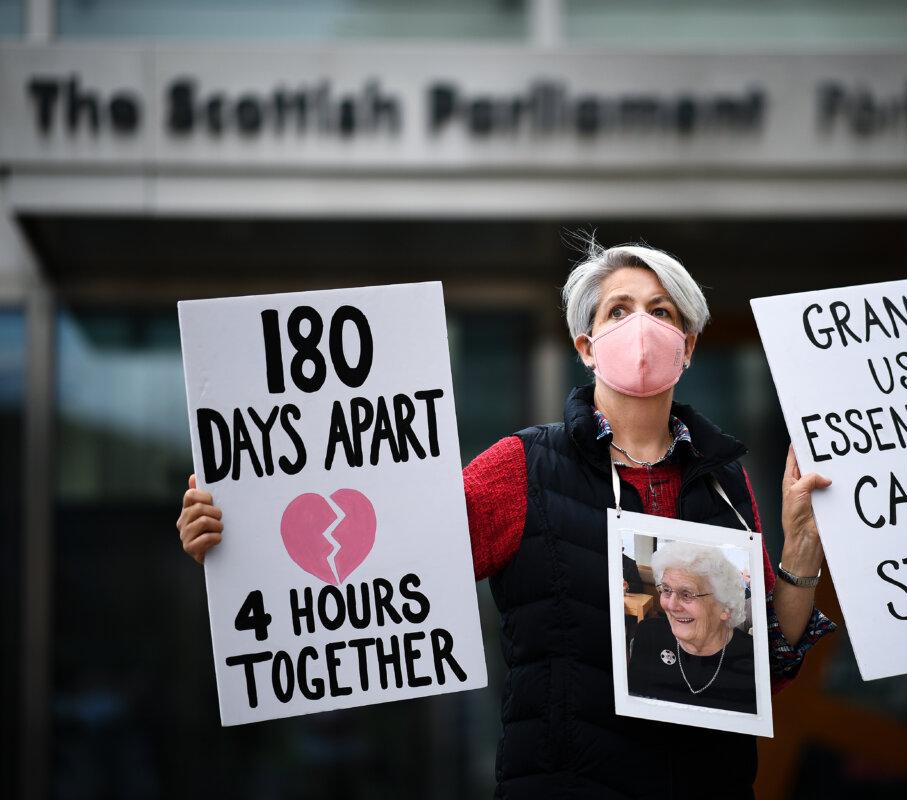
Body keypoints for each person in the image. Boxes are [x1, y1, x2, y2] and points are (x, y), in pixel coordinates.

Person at [176, 239, 837, 799]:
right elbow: (385, 568)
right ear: (585, 343)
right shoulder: (522, 467)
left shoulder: (723, 484)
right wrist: (240, 535)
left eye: (661, 311)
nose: (642, 327)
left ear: (688, 345)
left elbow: (765, 670)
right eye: (620, 310)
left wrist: (801, 545)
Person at [627, 541, 757, 714]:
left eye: (687, 594)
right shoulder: (648, 634)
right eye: (666, 590)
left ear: (726, 607)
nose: (671, 605)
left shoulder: (752, 658)